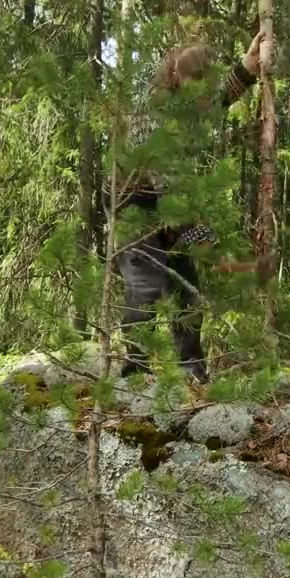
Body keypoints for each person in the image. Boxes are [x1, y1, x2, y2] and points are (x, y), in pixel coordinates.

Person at [115, 31, 265, 384]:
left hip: (173, 207)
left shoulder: (191, 105)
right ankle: (134, 370)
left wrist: (248, 65)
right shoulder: (154, 108)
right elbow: (165, 179)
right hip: (137, 205)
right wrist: (201, 237)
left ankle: (192, 370)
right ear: (176, 77)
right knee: (145, 285)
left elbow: (219, 98)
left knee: (188, 292)